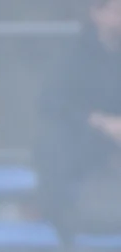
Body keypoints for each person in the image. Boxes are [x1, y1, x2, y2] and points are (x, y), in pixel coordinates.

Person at [35, 0, 121, 235]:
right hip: (85, 151)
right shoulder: (74, 56)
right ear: (97, 14)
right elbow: (54, 104)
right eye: (117, 11)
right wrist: (102, 123)